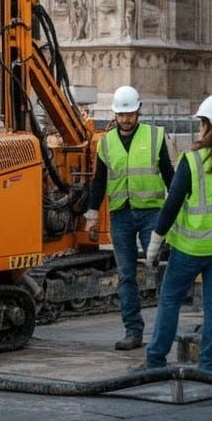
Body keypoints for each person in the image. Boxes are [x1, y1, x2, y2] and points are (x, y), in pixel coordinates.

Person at [144, 94, 212, 372]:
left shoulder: (191, 162)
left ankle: (156, 360)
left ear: (206, 126)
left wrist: (155, 243)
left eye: (201, 123)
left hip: (192, 248)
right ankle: (208, 366)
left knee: (170, 299)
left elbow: (171, 205)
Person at [85, 85, 173, 350]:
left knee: (156, 267)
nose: (125, 120)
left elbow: (170, 175)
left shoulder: (155, 136)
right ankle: (133, 332)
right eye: (122, 115)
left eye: (130, 114)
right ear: (115, 114)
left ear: (138, 112)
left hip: (151, 213)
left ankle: (163, 331)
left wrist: (176, 213)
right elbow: (98, 182)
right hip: (120, 214)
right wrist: (91, 215)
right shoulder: (107, 143)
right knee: (126, 275)